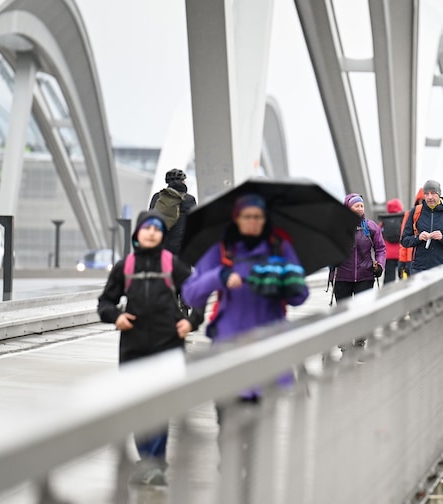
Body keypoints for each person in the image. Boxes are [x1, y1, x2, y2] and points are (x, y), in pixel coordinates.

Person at [97, 210, 204, 486]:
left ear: (162, 234)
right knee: (137, 405)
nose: (152, 232)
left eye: (157, 229)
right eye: (147, 228)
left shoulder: (173, 264)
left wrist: (190, 322)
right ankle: (145, 459)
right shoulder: (126, 267)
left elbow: (198, 294)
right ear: (138, 233)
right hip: (134, 347)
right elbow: (105, 303)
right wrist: (116, 317)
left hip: (167, 345)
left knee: (160, 404)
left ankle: (154, 462)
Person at [181, 194, 309, 389]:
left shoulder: (279, 248)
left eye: (258, 216)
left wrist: (285, 282)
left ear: (265, 219)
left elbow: (300, 297)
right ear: (236, 218)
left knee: (266, 416)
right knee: (230, 415)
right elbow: (190, 294)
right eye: (246, 216)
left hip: (269, 344)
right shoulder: (222, 250)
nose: (252, 222)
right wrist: (219, 276)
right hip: (229, 345)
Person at [400, 180, 443, 274]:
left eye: (433, 193)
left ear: (439, 194)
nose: (430, 197)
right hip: (418, 269)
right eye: (426, 194)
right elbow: (404, 241)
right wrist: (418, 238)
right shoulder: (415, 212)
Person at [331, 194, 386, 303]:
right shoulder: (337, 227)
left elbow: (380, 249)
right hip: (342, 277)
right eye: (356, 206)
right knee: (343, 313)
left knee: (363, 311)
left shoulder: (371, 227)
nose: (360, 209)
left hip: (365, 277)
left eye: (362, 206)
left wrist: (380, 265)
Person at [148, 168, 197, 255]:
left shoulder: (157, 197)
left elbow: (149, 217)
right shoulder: (189, 199)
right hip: (181, 247)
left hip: (161, 245)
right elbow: (195, 222)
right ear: (182, 182)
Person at [397, 188, 425, 280]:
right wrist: (402, 260)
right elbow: (404, 239)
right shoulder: (410, 214)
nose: (422, 204)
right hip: (411, 260)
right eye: (420, 201)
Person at [378, 198, 404, 284]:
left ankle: (387, 295)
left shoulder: (384, 220)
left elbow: (378, 235)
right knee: (404, 278)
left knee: (389, 278)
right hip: (401, 254)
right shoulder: (403, 219)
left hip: (388, 255)